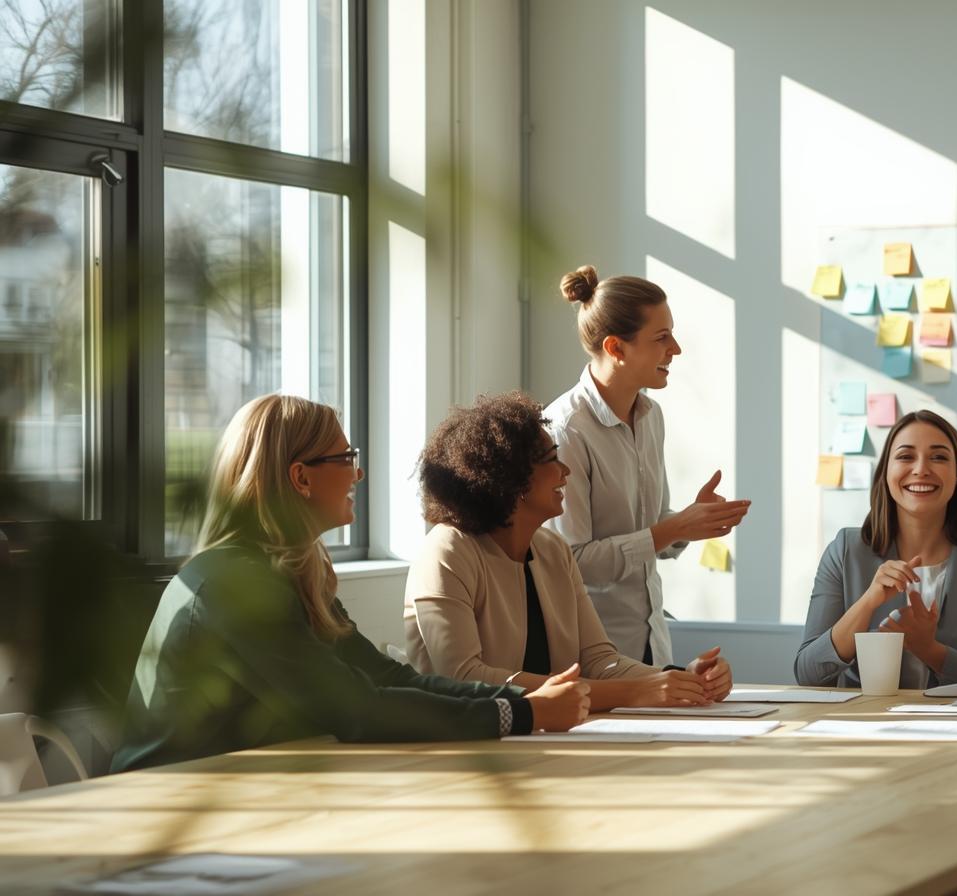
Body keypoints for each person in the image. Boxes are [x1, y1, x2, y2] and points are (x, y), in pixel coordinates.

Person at [112, 395, 590, 773]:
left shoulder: (288, 571)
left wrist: (520, 701)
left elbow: (385, 677)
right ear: (300, 477)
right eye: (345, 457)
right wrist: (524, 715)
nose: (358, 473)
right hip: (165, 808)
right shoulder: (233, 584)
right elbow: (357, 710)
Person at [404, 392, 733, 708]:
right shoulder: (447, 551)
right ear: (510, 480)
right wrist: (631, 693)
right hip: (467, 749)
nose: (566, 471)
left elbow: (600, 661)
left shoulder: (552, 550)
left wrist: (679, 679)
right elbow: (463, 678)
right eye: (552, 460)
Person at [545, 266, 751, 666]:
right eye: (662, 338)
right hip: (591, 655)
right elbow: (573, 562)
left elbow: (652, 528)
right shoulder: (566, 430)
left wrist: (690, 522)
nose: (676, 349)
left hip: (651, 645)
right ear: (616, 348)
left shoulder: (650, 416)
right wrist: (674, 527)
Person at [796, 411, 957, 689]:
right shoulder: (846, 550)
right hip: (865, 724)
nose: (921, 469)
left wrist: (928, 649)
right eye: (905, 457)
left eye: (938, 457)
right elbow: (808, 673)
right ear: (886, 473)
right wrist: (868, 601)